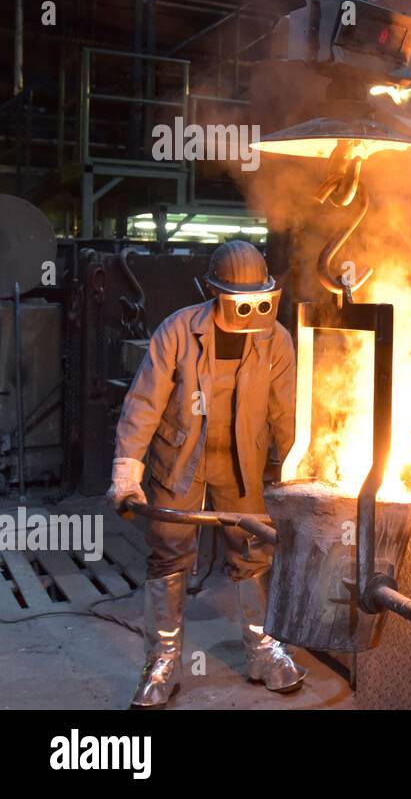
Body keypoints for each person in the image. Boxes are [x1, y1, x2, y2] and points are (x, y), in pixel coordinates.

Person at [108, 239, 305, 708]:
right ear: (214, 293)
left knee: (254, 548)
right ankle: (164, 660)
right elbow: (144, 403)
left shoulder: (273, 337)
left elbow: (286, 411)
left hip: (242, 464)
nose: (249, 311)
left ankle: (262, 649)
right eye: (238, 301)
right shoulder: (178, 331)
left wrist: (299, 467)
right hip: (179, 463)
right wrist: (126, 471)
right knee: (169, 554)